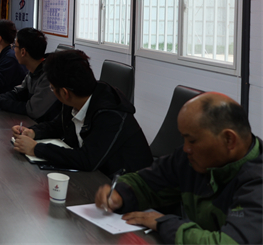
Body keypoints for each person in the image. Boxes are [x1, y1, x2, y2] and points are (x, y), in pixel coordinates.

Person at [94, 93, 261, 243]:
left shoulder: (257, 182)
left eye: (192, 141)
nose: (186, 148)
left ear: (229, 140)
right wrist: (120, 194)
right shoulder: (191, 159)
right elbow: (146, 183)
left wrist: (165, 223)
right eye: (184, 139)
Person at [12, 49, 153, 176]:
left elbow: (87, 159)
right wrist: (33, 132)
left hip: (125, 184)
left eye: (52, 88)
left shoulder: (110, 114)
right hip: (96, 175)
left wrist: (36, 149)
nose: (52, 91)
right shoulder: (75, 98)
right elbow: (58, 126)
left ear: (65, 93)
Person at [0, 28, 59, 121]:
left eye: (15, 46)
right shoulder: (33, 71)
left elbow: (32, 110)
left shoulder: (49, 76)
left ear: (23, 52)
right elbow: (18, 93)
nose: (13, 49)